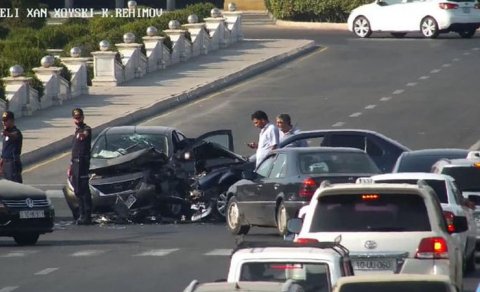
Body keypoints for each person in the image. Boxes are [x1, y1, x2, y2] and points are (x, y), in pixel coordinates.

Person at [68, 108, 92, 225]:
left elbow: (84, 136)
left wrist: (81, 135)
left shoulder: (86, 129)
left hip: (82, 163)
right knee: (77, 190)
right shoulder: (76, 131)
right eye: (76, 118)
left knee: (83, 189)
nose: (78, 120)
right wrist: (71, 165)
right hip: (76, 163)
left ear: (83, 117)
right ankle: (81, 214)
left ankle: (87, 215)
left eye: (79, 117)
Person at [0, 111, 23, 183]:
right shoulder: (6, 134)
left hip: (13, 163)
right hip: (5, 164)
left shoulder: (16, 132)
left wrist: (7, 134)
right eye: (3, 120)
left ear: (12, 120)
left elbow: (14, 136)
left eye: (6, 120)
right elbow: (5, 151)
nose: (4, 122)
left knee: (15, 186)